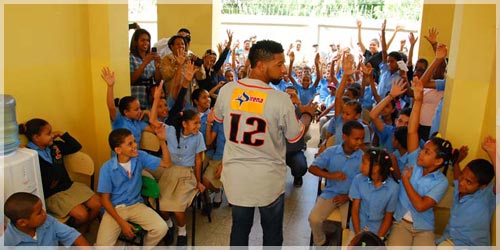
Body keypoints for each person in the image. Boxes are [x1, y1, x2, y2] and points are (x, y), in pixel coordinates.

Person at [213, 39, 314, 246]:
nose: (284, 69)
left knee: (239, 229)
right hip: (268, 180)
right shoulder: (279, 99)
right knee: (272, 234)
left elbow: (218, 119)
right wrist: (306, 115)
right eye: (279, 64)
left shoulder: (227, 90)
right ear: (260, 65)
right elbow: (295, 136)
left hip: (237, 178)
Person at [386, 76, 453, 247]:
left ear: (438, 161)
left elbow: (421, 205)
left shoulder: (441, 182)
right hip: (401, 222)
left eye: (427, 152)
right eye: (423, 149)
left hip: (423, 228)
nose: (421, 153)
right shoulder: (414, 159)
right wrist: (418, 100)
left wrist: (406, 181)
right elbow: (412, 131)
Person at [18, 119, 101, 233]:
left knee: (97, 204)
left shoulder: (54, 146)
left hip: (67, 185)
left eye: (51, 132)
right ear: (36, 137)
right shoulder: (29, 154)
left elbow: (76, 146)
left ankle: (82, 228)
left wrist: (62, 134)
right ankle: (73, 231)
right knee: (82, 214)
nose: (52, 135)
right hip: (52, 194)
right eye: (48, 134)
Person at [95, 127, 171, 246]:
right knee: (102, 247)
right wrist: (122, 223)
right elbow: (104, 200)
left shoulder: (140, 157)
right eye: (130, 144)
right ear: (118, 150)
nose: (135, 145)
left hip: (136, 205)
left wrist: (162, 141)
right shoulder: (107, 168)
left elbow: (166, 163)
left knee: (161, 228)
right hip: (115, 209)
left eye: (134, 141)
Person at [308, 120, 365, 246]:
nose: (360, 142)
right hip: (331, 194)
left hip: (352, 198)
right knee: (314, 219)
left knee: (349, 225)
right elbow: (312, 168)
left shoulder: (363, 158)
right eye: (356, 139)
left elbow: (364, 184)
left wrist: (347, 196)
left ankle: (347, 245)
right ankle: (321, 242)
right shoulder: (331, 151)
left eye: (362, 139)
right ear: (345, 137)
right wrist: (329, 175)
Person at [436, 136, 496, 246]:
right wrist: (456, 162)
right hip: (450, 241)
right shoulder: (460, 188)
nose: (462, 182)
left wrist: (493, 153)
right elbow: (457, 176)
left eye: (468, 182)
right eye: (462, 176)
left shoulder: (486, 197)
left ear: (482, 186)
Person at [348, 148, 399, 243]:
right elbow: (355, 210)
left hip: (377, 232)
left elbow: (388, 218)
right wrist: (359, 235)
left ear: (376, 167)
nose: (361, 166)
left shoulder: (393, 188)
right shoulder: (358, 180)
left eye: (364, 163)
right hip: (357, 228)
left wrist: (378, 240)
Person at [4, 192, 90, 246]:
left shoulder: (47, 220)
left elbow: (72, 235)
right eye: (39, 213)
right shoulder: (8, 241)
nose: (44, 213)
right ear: (22, 222)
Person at [102, 67, 153, 144]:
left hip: (136, 154)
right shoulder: (119, 120)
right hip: (122, 154)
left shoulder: (138, 122)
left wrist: (148, 113)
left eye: (139, 108)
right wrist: (110, 86)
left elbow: (154, 130)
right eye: (136, 109)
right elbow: (111, 107)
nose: (140, 111)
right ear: (126, 112)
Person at [129, 28, 162, 110]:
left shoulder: (150, 58)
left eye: (147, 40)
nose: (146, 43)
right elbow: (131, 79)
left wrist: (158, 66)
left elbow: (157, 80)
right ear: (136, 42)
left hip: (150, 96)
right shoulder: (131, 58)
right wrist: (145, 62)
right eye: (142, 40)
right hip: (137, 94)